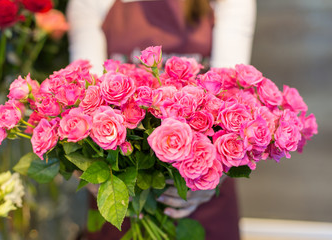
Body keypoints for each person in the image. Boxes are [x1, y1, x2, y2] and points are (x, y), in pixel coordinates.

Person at [67, 0, 256, 239]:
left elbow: (232, 94)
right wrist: (89, 165)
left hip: (202, 194)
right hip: (122, 193)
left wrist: (210, 178)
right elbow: (82, 93)